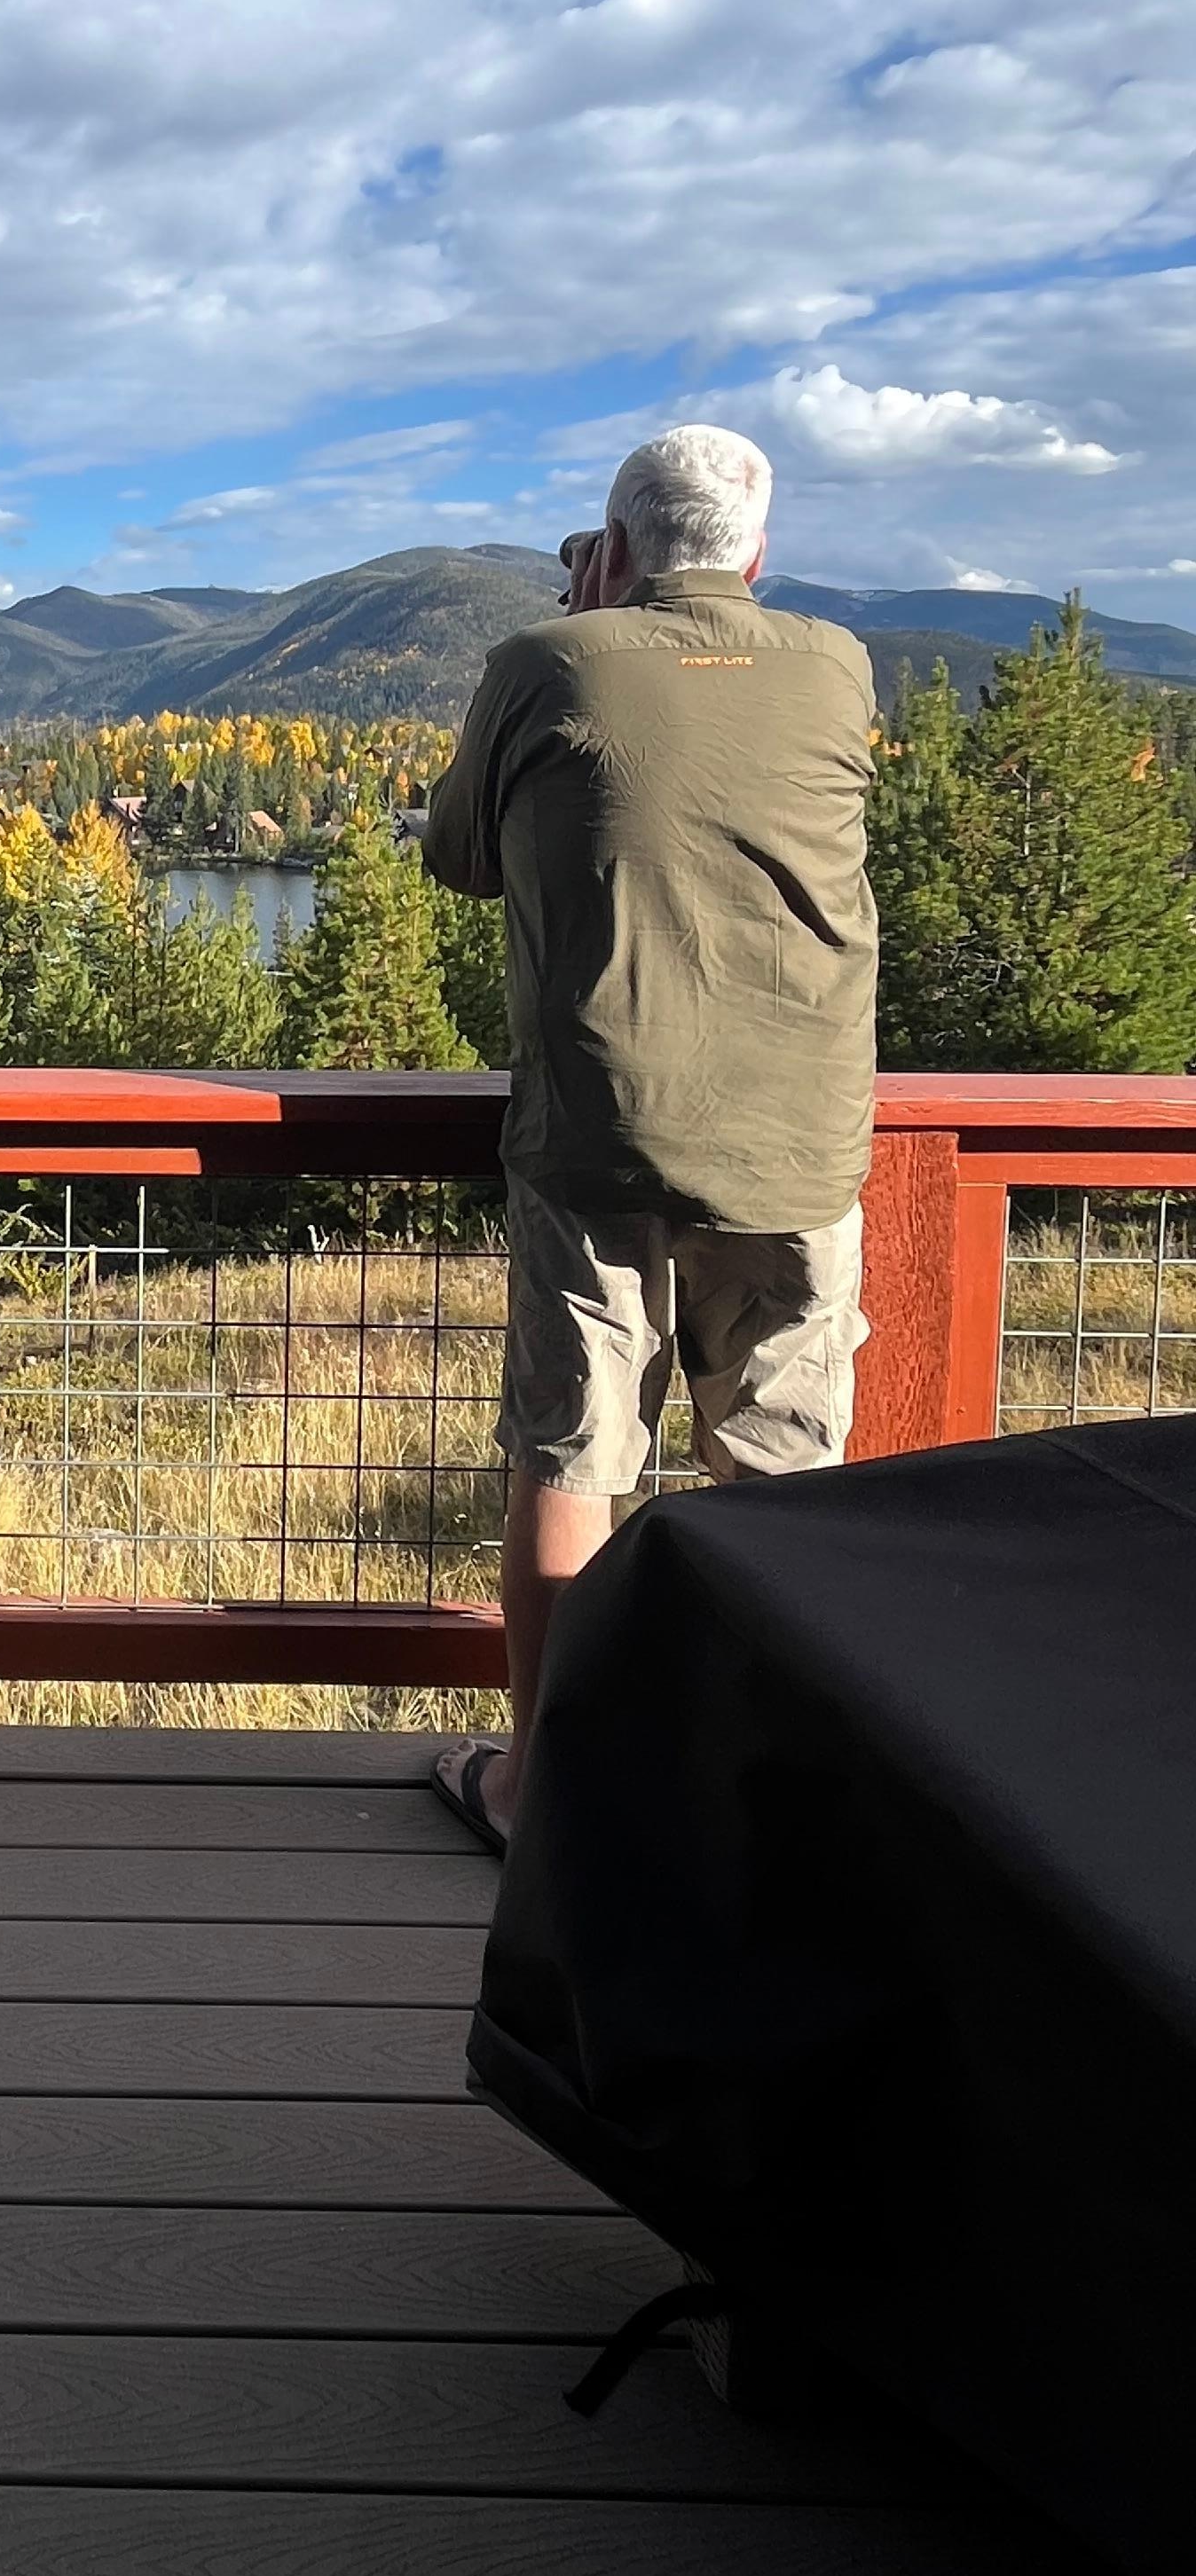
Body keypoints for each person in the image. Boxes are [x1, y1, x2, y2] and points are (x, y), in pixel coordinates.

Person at [419, 424, 877, 1850]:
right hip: (803, 1140)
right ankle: (776, 1801)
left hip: (600, 1135)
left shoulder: (546, 665)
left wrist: (584, 621)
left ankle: (537, 1794)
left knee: (573, 1458)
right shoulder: (836, 664)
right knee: (785, 1474)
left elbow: (459, 857)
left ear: (609, 550)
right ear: (756, 553)